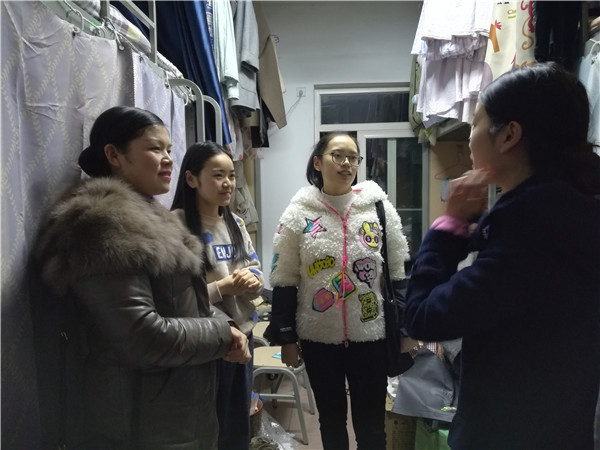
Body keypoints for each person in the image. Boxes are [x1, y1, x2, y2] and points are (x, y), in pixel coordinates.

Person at [405, 62, 600, 450]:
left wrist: (449, 225)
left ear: (509, 134)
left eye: (476, 122)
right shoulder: (575, 208)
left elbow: (423, 315)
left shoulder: (534, 225)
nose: (469, 135)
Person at [34, 106, 251, 449]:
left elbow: (183, 301)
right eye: (154, 148)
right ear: (114, 155)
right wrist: (221, 334)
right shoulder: (104, 227)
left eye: (169, 149)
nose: (168, 159)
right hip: (139, 423)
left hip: (173, 408)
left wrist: (227, 325)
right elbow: (143, 337)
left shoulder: (150, 217)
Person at [269, 132, 410, 450]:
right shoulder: (298, 213)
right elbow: (284, 276)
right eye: (338, 155)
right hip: (319, 339)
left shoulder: (378, 208)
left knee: (371, 426)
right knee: (331, 422)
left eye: (353, 157)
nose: (347, 163)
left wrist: (405, 329)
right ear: (318, 163)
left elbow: (398, 271)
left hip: (371, 336)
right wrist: (286, 338)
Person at [171, 142, 263, 450]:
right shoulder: (177, 225)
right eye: (218, 175)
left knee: (237, 423)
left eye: (231, 175)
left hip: (243, 336)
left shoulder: (235, 222)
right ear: (191, 179)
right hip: (206, 341)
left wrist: (252, 282)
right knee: (207, 426)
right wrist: (223, 288)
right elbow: (176, 297)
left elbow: (255, 269)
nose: (228, 183)